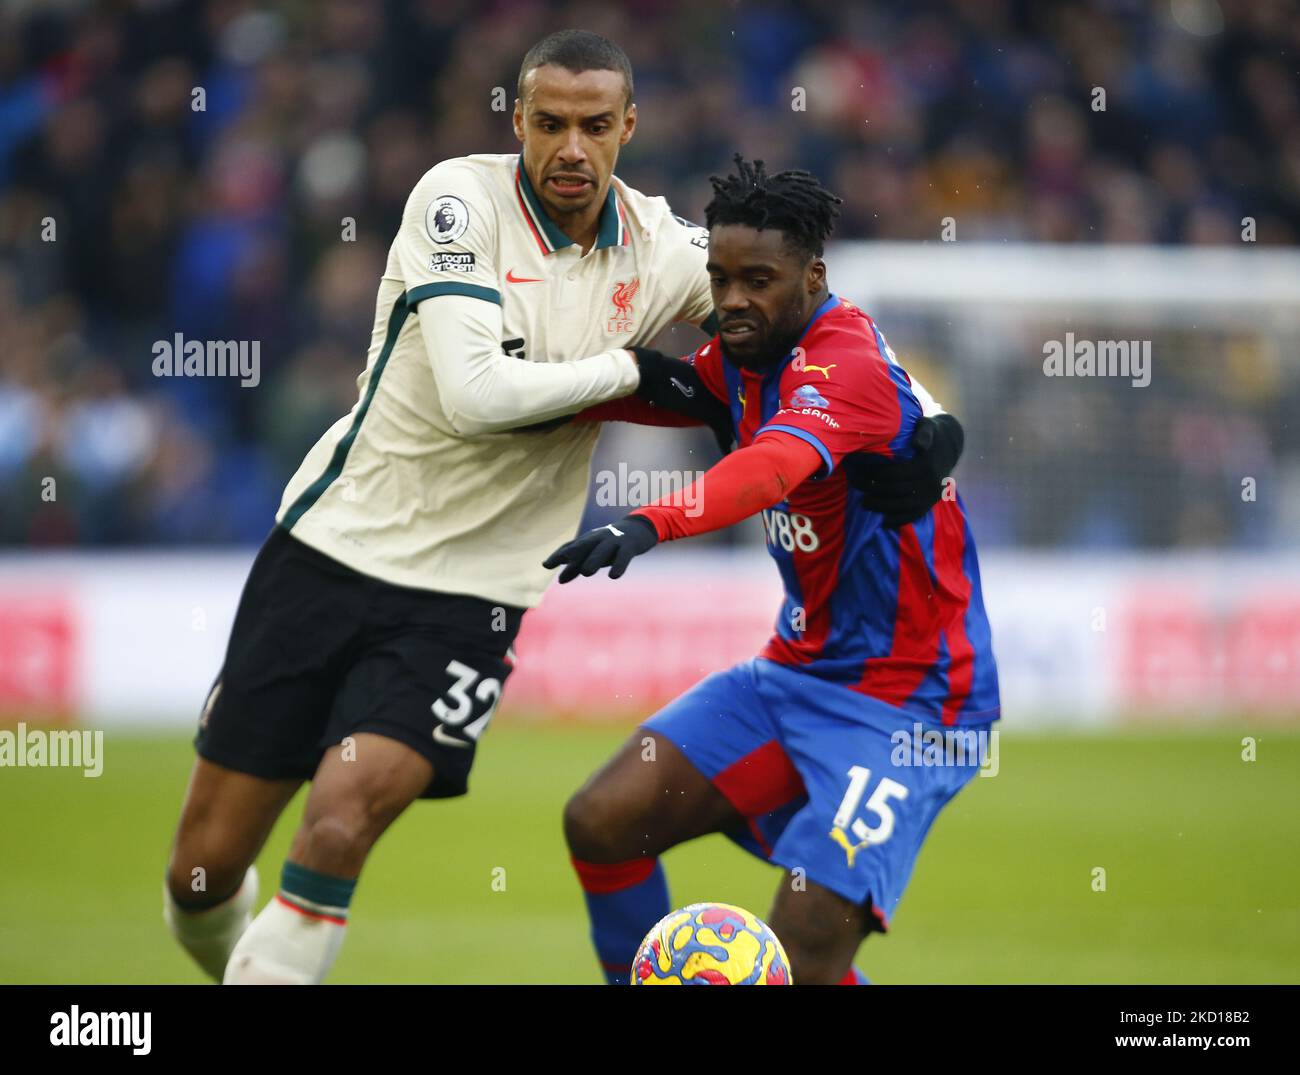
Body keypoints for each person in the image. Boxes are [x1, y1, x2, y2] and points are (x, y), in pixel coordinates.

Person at [162, 28, 957, 986]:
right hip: (334, 546)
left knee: (340, 819)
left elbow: (819, 318)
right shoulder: (458, 202)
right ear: (518, 123)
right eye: (548, 124)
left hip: (472, 597)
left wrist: (931, 426)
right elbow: (474, 394)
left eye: (592, 126)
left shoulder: (663, 247)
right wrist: (634, 370)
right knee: (202, 875)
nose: (569, 148)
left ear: (629, 126)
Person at [548, 156, 1000, 985]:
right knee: (603, 819)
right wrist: (520, 384)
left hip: (911, 698)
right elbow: (667, 389)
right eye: (720, 279)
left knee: (805, 936)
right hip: (796, 671)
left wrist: (652, 519)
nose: (731, 301)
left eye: (759, 280)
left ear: (813, 276)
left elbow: (768, 471)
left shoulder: (844, 362)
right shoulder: (743, 360)